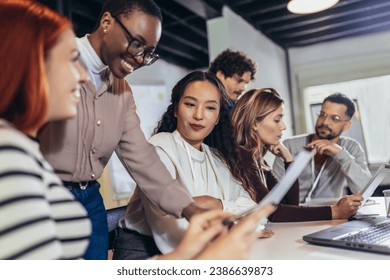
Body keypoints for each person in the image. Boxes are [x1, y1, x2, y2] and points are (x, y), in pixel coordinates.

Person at [38, 0, 203, 260]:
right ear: (106, 22)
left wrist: (189, 209)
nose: (139, 59)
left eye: (148, 53)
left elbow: (142, 158)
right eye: (137, 43)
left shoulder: (122, 92)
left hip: (90, 201)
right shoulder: (47, 62)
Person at [114, 71, 270, 259]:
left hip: (198, 246)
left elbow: (251, 208)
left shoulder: (216, 158)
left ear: (218, 117)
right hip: (146, 252)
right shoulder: (159, 146)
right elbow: (171, 225)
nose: (198, 115)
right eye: (189, 104)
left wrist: (218, 205)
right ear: (175, 109)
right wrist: (232, 227)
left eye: (210, 108)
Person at [0, 0, 91, 259]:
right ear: (31, 63)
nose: (83, 76)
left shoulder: (21, 147)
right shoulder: (7, 150)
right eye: (73, 60)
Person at [231, 88, 363, 222]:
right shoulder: (242, 157)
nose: (283, 127)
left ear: (347, 125)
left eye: (334, 118)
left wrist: (289, 160)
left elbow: (287, 204)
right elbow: (273, 212)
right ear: (254, 123)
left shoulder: (259, 161)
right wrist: (333, 211)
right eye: (277, 120)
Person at [273, 93, 371, 203]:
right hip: (294, 214)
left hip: (332, 214)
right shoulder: (289, 146)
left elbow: (365, 192)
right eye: (322, 115)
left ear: (347, 125)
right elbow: (274, 193)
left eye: (335, 118)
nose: (324, 122)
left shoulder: (351, 148)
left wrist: (341, 154)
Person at [208, 49, 257, 113]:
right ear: (220, 75)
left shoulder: (236, 111)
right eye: (239, 81)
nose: (243, 88)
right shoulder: (201, 99)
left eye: (246, 83)